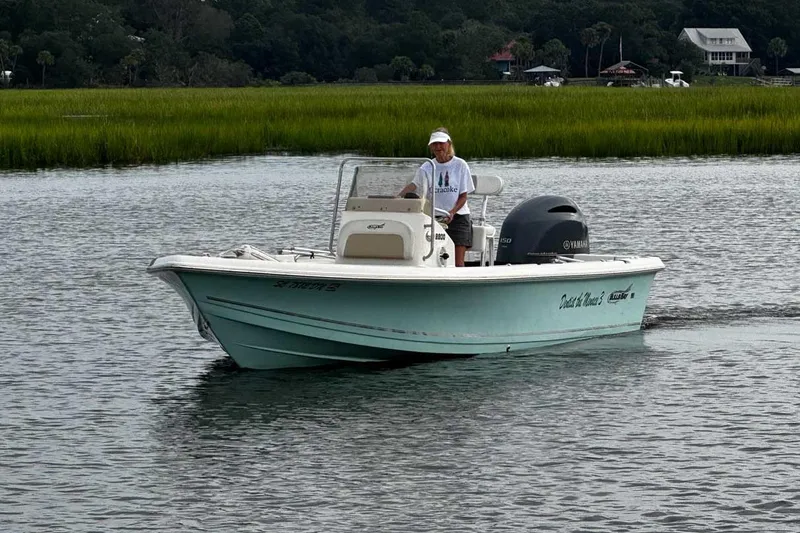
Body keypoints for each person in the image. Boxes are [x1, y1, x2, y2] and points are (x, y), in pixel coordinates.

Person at [399, 127, 475, 267]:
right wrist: (396, 198)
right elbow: (414, 185)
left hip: (458, 217)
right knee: (429, 259)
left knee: (458, 263)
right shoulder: (427, 167)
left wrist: (452, 212)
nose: (438, 147)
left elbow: (464, 196)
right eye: (435, 144)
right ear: (430, 147)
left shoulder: (460, 165)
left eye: (441, 143)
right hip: (433, 218)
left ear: (448, 144)